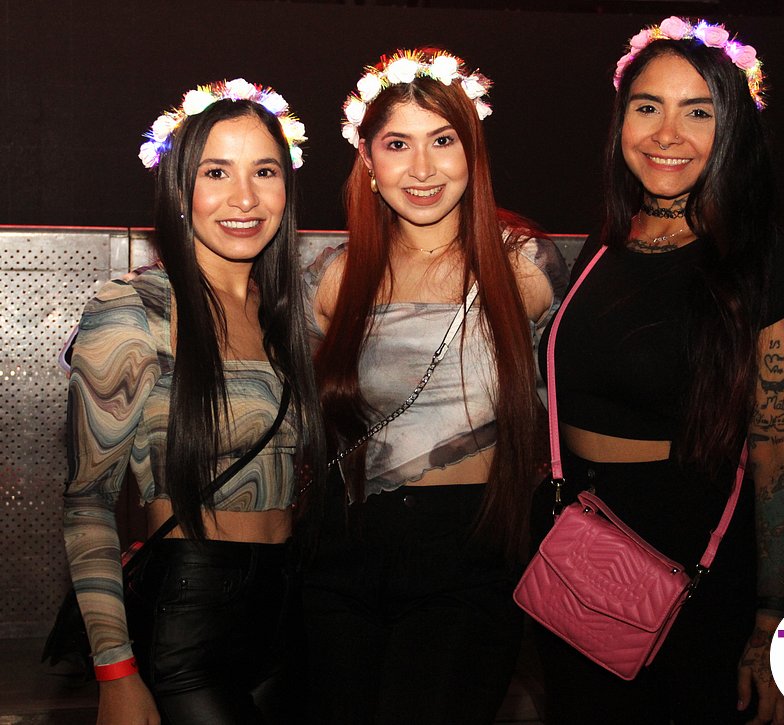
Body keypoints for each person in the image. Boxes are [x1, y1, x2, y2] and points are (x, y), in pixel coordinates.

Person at [533, 17, 784, 725]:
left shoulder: (765, 262)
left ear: (733, 130)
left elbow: (782, 454)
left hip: (689, 553)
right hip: (577, 540)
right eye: (648, 107)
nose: (668, 134)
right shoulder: (608, 242)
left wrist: (772, 620)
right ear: (621, 122)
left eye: (698, 112)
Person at [300, 48, 568, 724]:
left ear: (472, 150)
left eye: (443, 141)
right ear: (368, 159)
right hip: (341, 558)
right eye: (398, 144)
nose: (422, 168)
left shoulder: (524, 265)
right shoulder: (334, 276)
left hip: (468, 559)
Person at [63, 79, 325, 725]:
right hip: (190, 615)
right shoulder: (135, 308)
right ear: (181, 189)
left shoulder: (289, 318)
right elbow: (88, 502)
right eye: (217, 172)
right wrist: (115, 670)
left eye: (264, 171)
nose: (245, 197)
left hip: (291, 611)